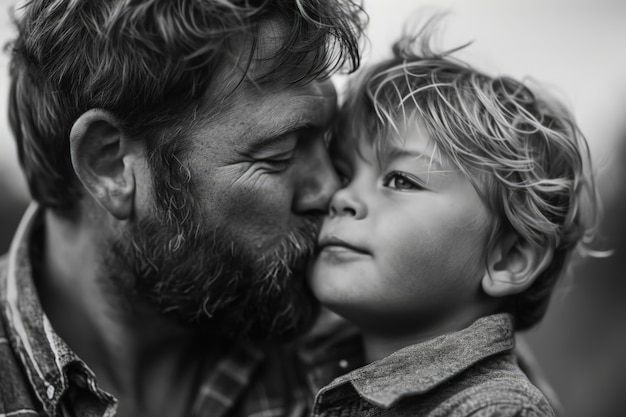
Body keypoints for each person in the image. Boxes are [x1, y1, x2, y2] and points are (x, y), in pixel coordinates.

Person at [0, 1, 366, 416]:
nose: (331, 189)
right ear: (110, 165)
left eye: (329, 143)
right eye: (279, 155)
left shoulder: (358, 348)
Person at [307, 27, 597, 417]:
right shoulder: (299, 355)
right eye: (343, 174)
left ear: (508, 258)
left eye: (400, 180)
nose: (341, 198)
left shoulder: (496, 410)